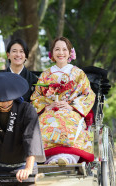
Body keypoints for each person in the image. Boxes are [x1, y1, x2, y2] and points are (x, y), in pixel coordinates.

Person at [31, 37, 96, 165]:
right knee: (43, 124)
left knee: (69, 126)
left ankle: (67, 158)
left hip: (70, 110)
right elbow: (36, 97)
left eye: (64, 49)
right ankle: (51, 159)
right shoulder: (45, 75)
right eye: (57, 49)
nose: (61, 53)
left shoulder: (78, 73)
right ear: (52, 53)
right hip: (50, 110)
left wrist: (71, 106)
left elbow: (88, 95)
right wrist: (47, 107)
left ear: (70, 52)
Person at [0, 39, 38, 106]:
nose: (18, 54)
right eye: (14, 51)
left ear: (26, 56)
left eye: (21, 51)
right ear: (8, 55)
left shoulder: (34, 80)